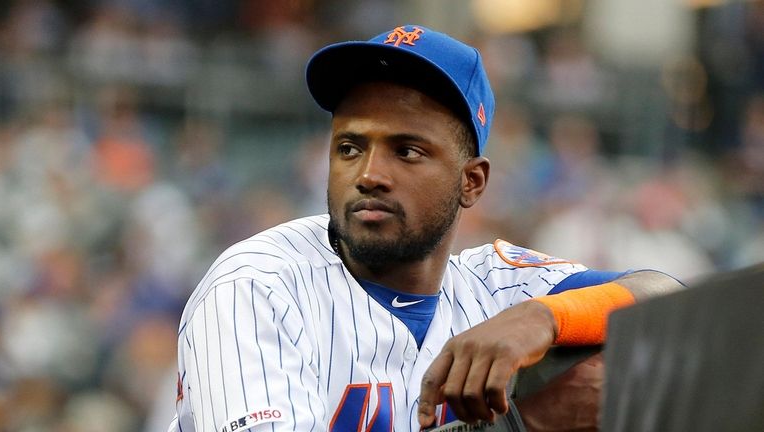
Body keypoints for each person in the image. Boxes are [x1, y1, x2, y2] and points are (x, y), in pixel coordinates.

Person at [169, 25, 682, 432]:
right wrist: (524, 424)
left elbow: (668, 297)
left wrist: (546, 317)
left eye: (407, 151)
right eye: (350, 147)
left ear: (472, 183)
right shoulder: (258, 285)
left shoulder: (494, 284)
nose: (368, 175)